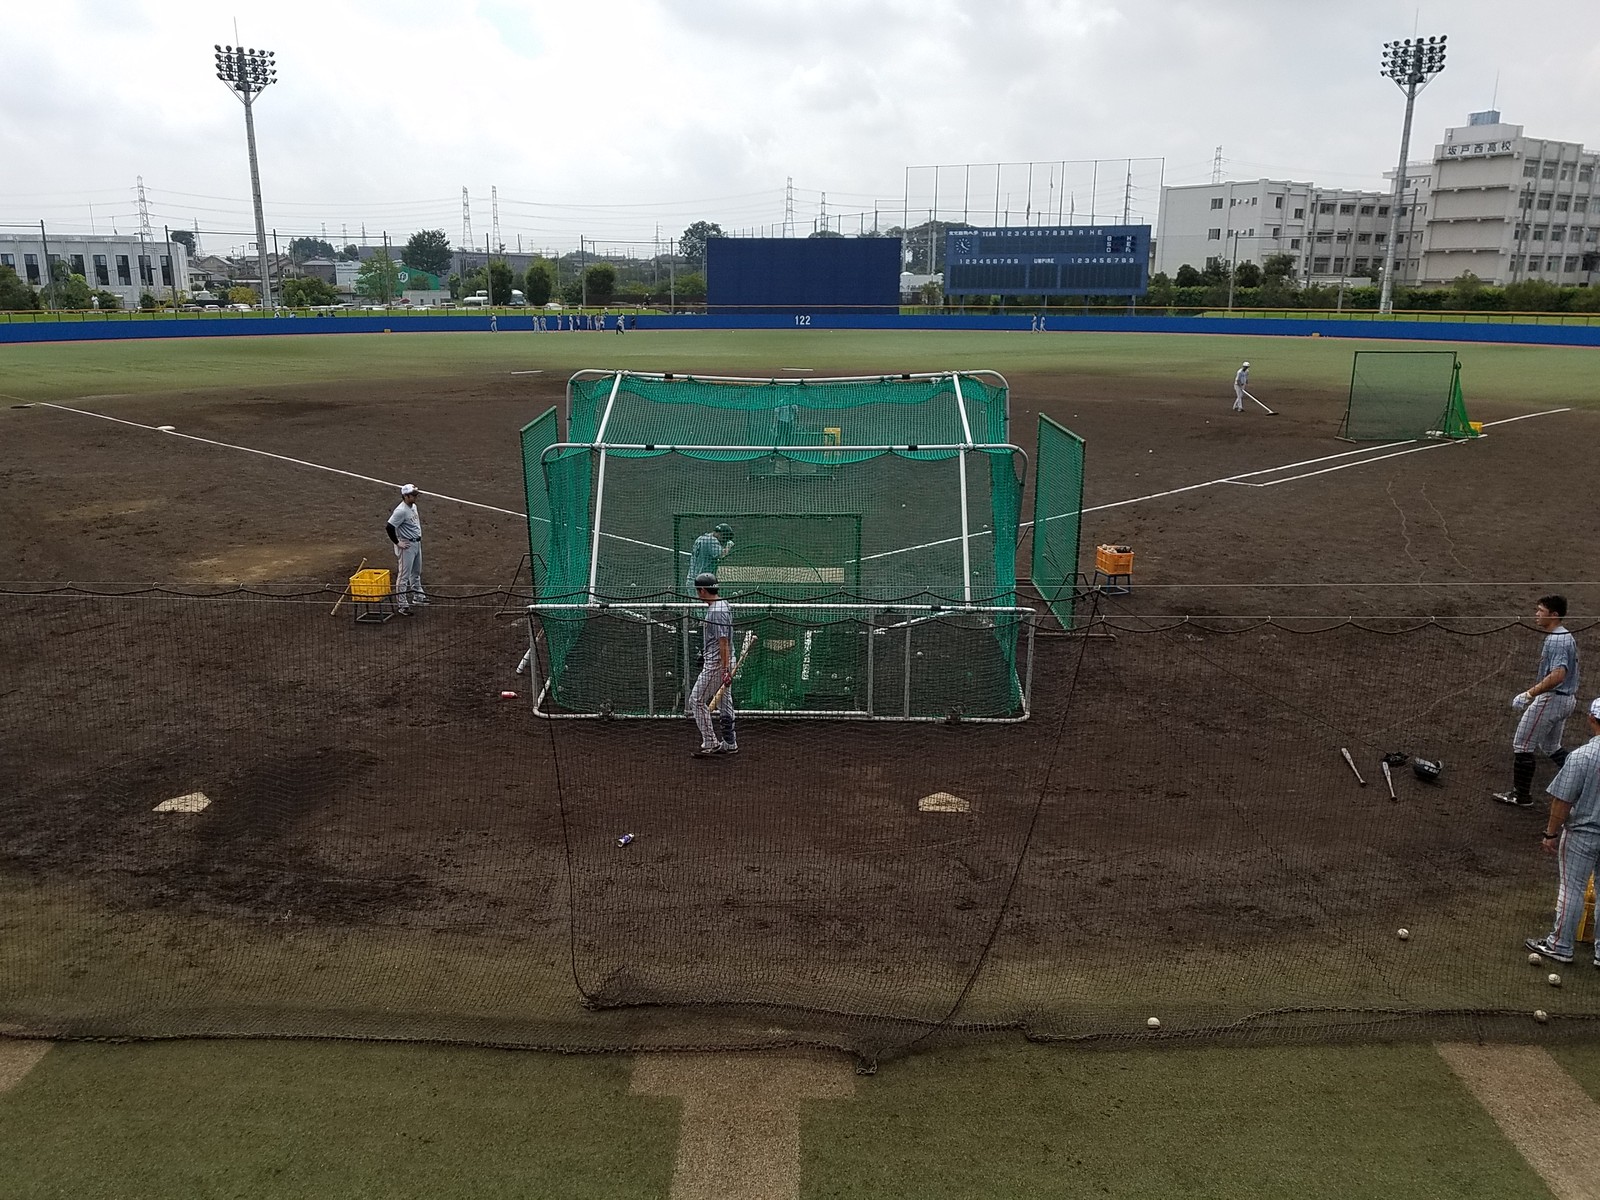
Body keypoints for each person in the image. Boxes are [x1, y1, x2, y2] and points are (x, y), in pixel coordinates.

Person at [1523, 698, 1600, 965]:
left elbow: (1562, 800)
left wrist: (1550, 833)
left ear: (1592, 719)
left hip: (1582, 834)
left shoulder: (1581, 757)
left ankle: (1560, 945)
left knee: (1572, 888)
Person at [1495, 595, 1580, 807]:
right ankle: (1585, 781)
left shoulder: (1557, 639)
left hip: (1552, 701)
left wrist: (1529, 694)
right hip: (1567, 700)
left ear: (1554, 615)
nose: (1536, 614)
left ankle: (1521, 795)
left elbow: (1558, 674)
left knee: (1522, 745)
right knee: (1551, 746)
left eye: (1540, 610)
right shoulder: (1565, 635)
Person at [689, 572, 738, 757]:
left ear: (702, 590)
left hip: (717, 664)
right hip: (721, 660)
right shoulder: (721, 604)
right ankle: (730, 743)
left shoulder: (717, 611)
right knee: (724, 702)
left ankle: (710, 741)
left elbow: (723, 641)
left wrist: (725, 670)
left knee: (696, 700)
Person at [385, 483, 425, 615]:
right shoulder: (401, 511)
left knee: (416, 572)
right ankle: (402, 605)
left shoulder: (413, 506)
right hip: (406, 546)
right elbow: (389, 527)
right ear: (406, 496)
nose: (415, 496)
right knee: (403, 576)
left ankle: (418, 597)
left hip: (416, 544)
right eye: (413, 495)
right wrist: (397, 542)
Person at [686, 523, 734, 594]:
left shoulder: (700, 538)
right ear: (719, 533)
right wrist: (728, 546)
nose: (724, 541)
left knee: (699, 604)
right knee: (704, 604)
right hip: (702, 581)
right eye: (724, 537)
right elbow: (721, 554)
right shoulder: (712, 540)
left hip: (692, 579)